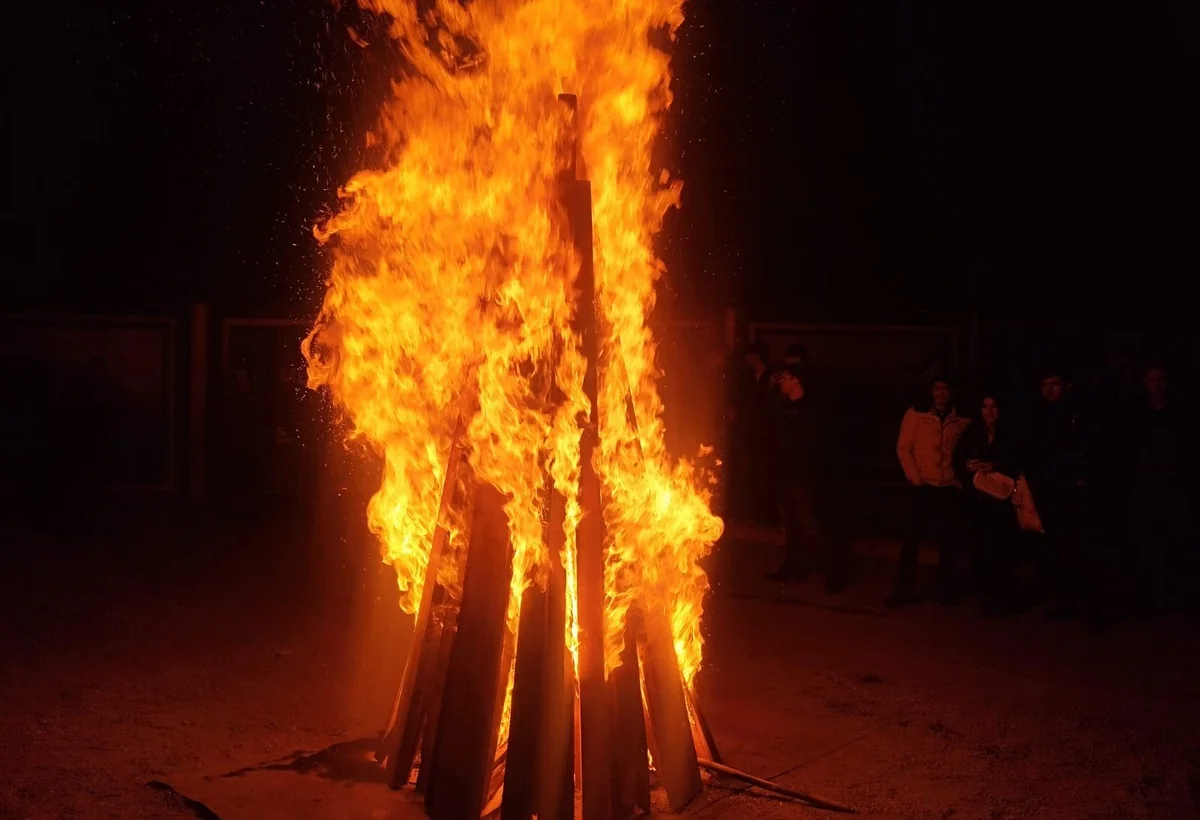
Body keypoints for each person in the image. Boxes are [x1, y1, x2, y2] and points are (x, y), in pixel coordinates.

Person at [888, 376, 971, 608]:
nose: (941, 393)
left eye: (945, 389)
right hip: (923, 487)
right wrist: (916, 477)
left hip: (947, 487)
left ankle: (944, 589)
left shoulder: (959, 420)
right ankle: (902, 591)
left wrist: (958, 480)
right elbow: (904, 448)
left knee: (948, 541)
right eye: (937, 388)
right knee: (911, 541)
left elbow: (964, 451)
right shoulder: (916, 414)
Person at [1024, 366, 1098, 623]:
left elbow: (1087, 448)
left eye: (1054, 383)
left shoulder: (1078, 414)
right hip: (1050, 488)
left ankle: (1089, 605)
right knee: (1056, 546)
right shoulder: (1039, 415)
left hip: (1073, 489)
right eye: (1045, 384)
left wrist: (1081, 476)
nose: (1049, 390)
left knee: (1079, 545)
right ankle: (1064, 600)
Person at [765, 364, 847, 591]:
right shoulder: (783, 407)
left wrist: (812, 472)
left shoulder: (812, 410)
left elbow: (818, 445)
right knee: (791, 525)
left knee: (812, 525)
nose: (781, 381)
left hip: (805, 477)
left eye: (785, 378)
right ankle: (794, 567)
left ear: (796, 381)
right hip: (785, 474)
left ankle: (833, 575)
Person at [1126, 361, 1195, 614]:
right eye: (1152, 379)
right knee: (1148, 542)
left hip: (1174, 489)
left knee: (1175, 541)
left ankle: (1175, 596)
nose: (1157, 385)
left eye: (1161, 379)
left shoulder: (1180, 413)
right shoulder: (1138, 415)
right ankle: (1151, 596)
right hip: (1146, 489)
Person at [954, 393, 1023, 615]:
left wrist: (997, 465)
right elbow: (958, 461)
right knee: (982, 548)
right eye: (985, 407)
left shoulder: (1009, 433)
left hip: (1001, 500)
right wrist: (969, 466)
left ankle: (1004, 598)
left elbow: (1019, 462)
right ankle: (985, 596)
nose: (989, 412)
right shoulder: (971, 433)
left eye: (994, 407)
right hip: (979, 500)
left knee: (1003, 548)